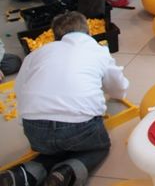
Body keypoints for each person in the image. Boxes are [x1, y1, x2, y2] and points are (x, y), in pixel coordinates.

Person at [0, 11, 129, 186]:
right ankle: (67, 172)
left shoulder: (36, 54)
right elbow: (117, 86)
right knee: (98, 148)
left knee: (52, 153)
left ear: (55, 36)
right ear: (88, 31)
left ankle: (23, 173)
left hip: (35, 128)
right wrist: (118, 95)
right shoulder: (98, 51)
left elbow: (19, 88)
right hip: (80, 127)